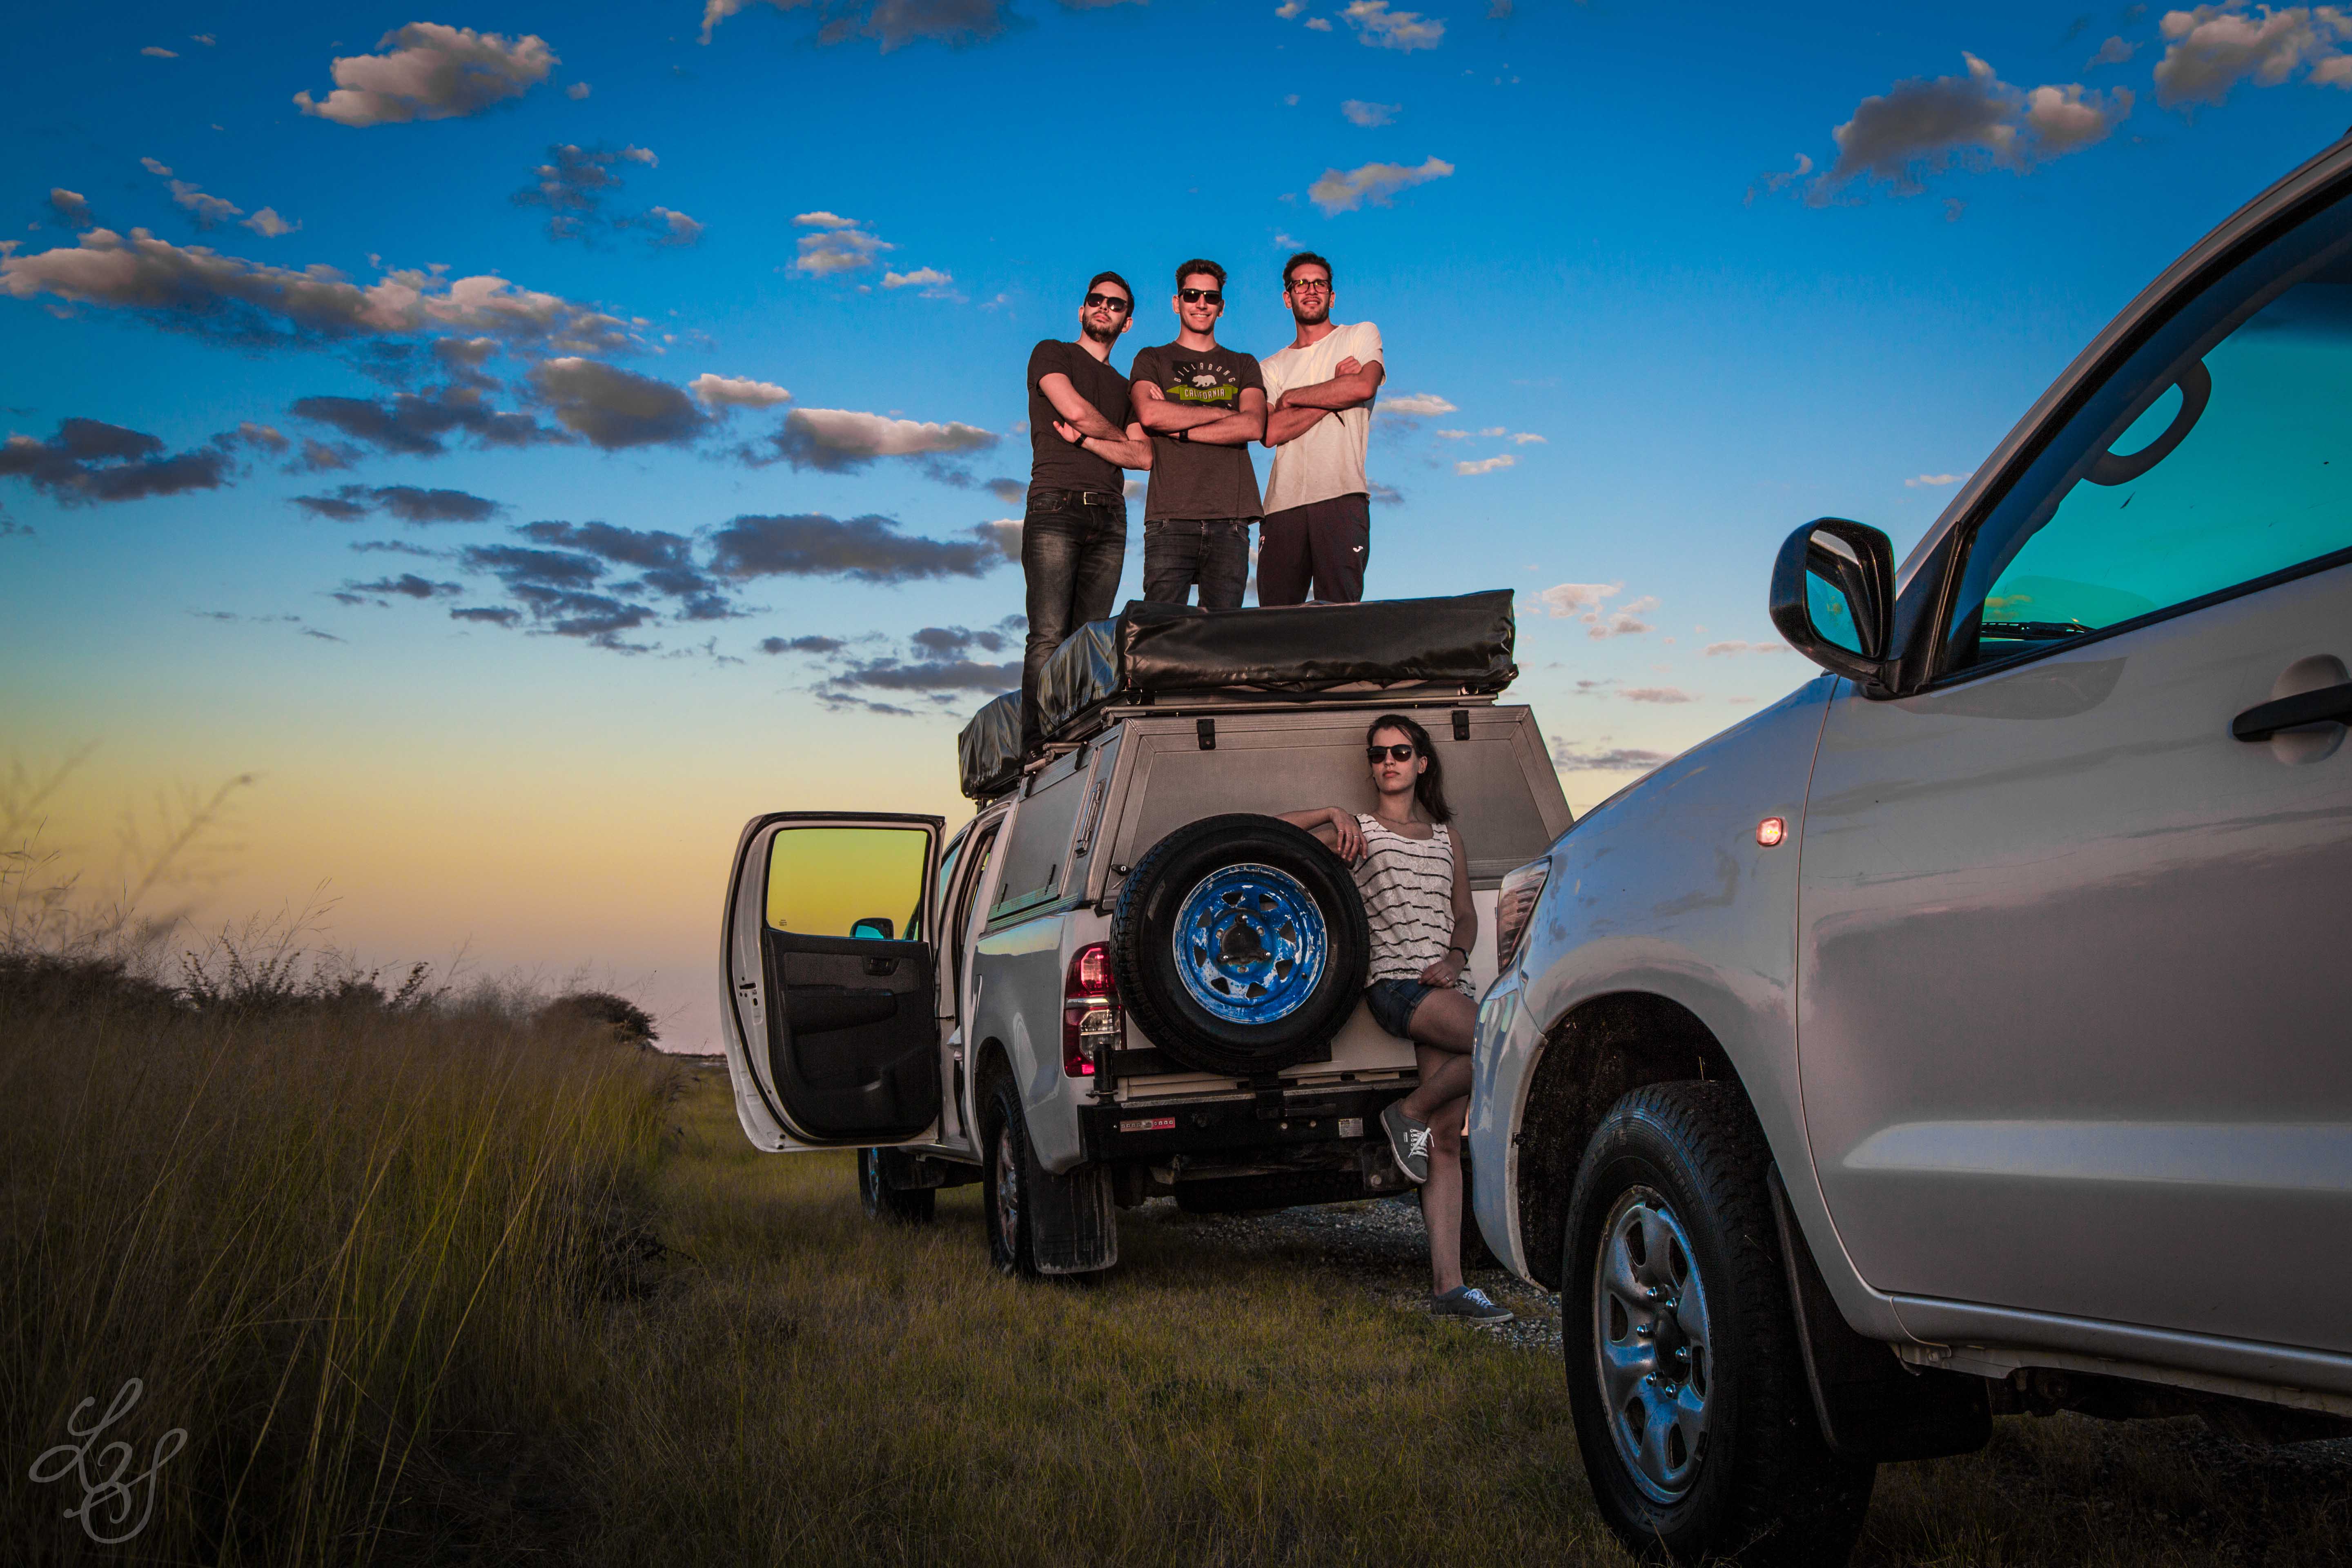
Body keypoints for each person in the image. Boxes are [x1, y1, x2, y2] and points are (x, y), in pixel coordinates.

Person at [1280, 713, 1513, 1325]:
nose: (1388, 762)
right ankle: (1404, 1112)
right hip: (1394, 985)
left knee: (1444, 1138)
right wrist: (1328, 813)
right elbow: (1268, 834)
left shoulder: (1446, 837)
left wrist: (1456, 958)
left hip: (1447, 985)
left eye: (1401, 752)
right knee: (1502, 1038)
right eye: (1378, 754)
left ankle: (1449, 1288)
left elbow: (1466, 914)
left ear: (1422, 762)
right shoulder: (1359, 831)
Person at [1021, 272, 1153, 760]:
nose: (1104, 308)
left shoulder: (1125, 388)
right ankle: (1036, 747)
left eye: (1115, 305)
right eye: (1096, 300)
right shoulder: (1051, 353)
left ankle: (1074, 735)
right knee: (1048, 634)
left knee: (1087, 640)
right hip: (1055, 505)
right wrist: (1113, 438)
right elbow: (1073, 410)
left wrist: (1088, 441)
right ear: (1082, 309)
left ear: (1127, 321)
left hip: (1110, 515)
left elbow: (1144, 457)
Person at [1129, 259, 1266, 609]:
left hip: (1231, 518)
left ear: (1222, 307)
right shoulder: (1151, 359)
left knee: (1223, 635)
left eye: (1211, 297)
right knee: (1162, 630)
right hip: (1169, 516)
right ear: (1177, 303)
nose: (1201, 303)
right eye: (1191, 295)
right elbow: (1150, 414)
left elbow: (1253, 425)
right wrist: (1224, 414)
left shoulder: (1244, 363)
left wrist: (1181, 430)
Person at [1258, 252, 1385, 605]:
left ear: (1332, 295)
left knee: (1340, 618)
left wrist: (1292, 398)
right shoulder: (1270, 367)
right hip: (1281, 506)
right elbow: (1269, 432)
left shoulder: (1360, 335)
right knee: (1276, 622)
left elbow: (1363, 386)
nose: (1311, 290)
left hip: (1342, 496)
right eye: (1301, 284)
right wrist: (1335, 390)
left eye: (1320, 283)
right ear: (1288, 298)